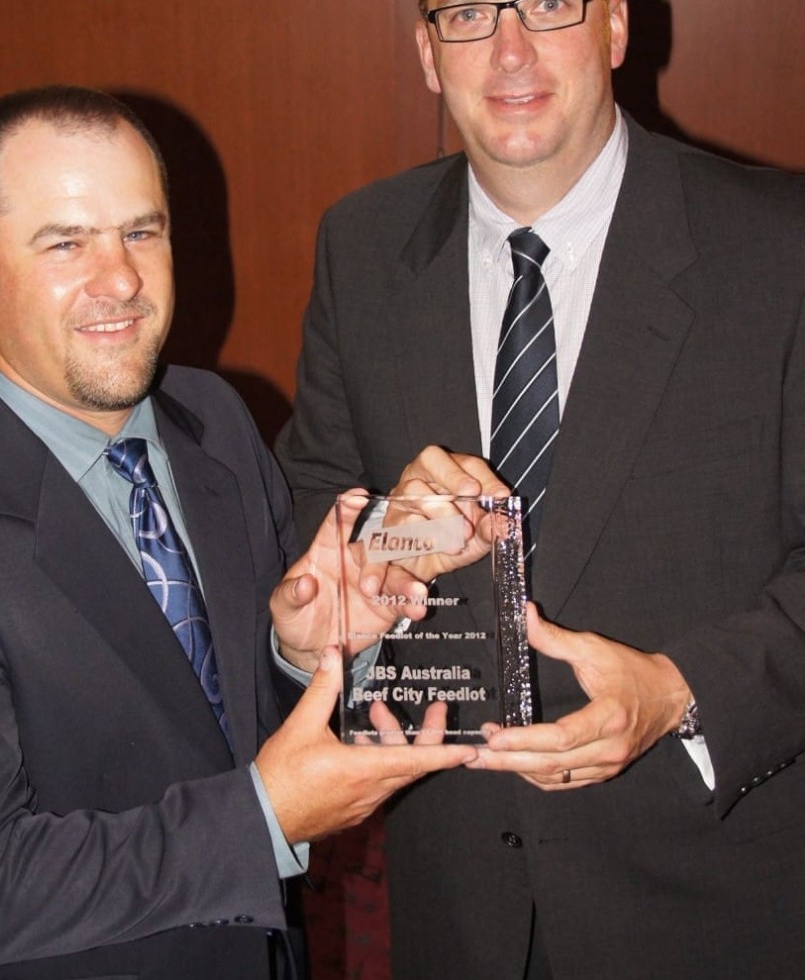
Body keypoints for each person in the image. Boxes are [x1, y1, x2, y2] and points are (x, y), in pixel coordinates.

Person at [0, 85, 483, 980]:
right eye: (65, 242)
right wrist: (263, 821)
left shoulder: (211, 418)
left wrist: (301, 651)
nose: (122, 279)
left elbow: (221, 723)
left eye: (142, 231)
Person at [276, 2, 805, 978]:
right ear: (427, 53)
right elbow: (314, 511)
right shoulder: (361, 246)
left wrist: (682, 693)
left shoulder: (780, 249)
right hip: (459, 906)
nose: (508, 48)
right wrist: (363, 565)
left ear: (612, 27)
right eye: (469, 12)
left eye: (549, 3)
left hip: (718, 898)